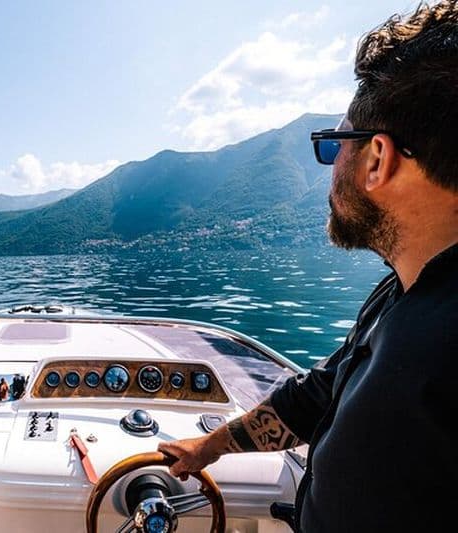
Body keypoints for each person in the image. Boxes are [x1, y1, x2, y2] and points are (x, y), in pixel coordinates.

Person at [158, 2, 458, 531]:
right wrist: (210, 446)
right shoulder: (401, 293)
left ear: (376, 160)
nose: (329, 171)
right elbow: (318, 396)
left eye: (331, 148)